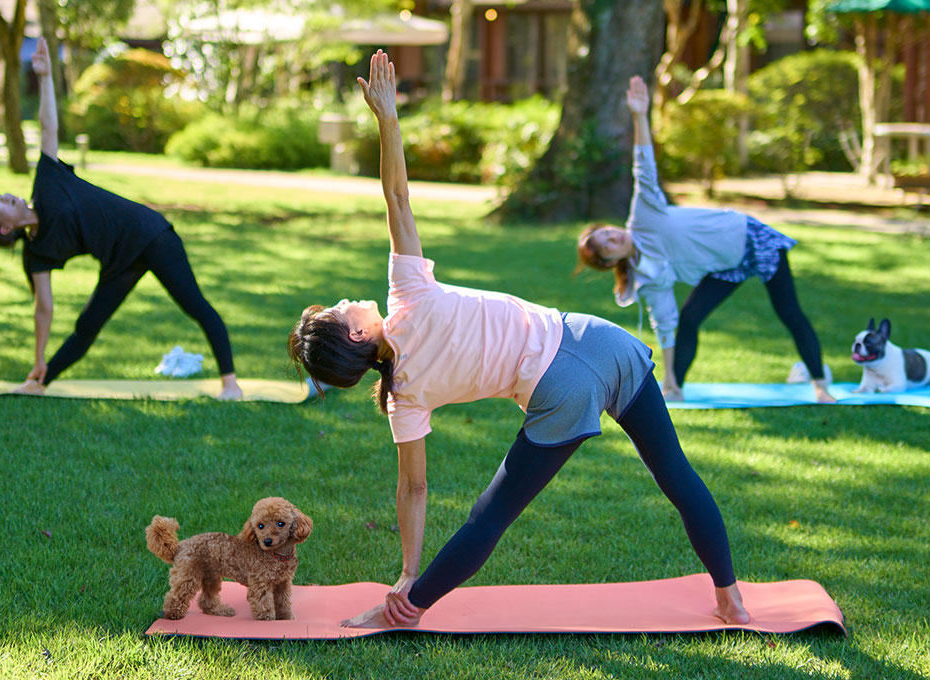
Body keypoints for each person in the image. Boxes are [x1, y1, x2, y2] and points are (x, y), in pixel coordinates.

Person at [287, 51, 750, 629]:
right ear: (357, 332)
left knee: (493, 513)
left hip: (564, 384)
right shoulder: (408, 293)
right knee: (676, 475)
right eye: (337, 311)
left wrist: (409, 569)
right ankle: (730, 597)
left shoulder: (403, 396)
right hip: (602, 343)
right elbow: (398, 198)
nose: (343, 300)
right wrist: (388, 119)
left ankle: (407, 608)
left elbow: (415, 487)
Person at [0, 38, 240, 399]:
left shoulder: (47, 183)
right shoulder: (36, 253)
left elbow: (48, 127)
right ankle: (40, 379)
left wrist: (47, 76)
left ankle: (230, 385)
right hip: (119, 262)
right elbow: (43, 308)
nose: (4, 197)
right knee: (86, 326)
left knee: (195, 306)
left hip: (151, 235)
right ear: (4, 228)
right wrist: (37, 356)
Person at [577, 76, 835, 404]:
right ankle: (675, 387)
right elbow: (665, 323)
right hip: (726, 266)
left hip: (752, 239)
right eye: (607, 244)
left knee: (789, 312)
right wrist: (666, 381)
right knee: (688, 319)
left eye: (608, 231)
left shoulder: (644, 215)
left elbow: (643, 166)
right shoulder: (647, 277)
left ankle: (819, 385)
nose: (614, 236)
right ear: (611, 262)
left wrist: (640, 116)